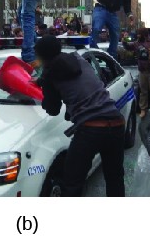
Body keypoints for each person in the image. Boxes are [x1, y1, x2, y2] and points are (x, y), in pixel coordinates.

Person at [34, 35, 125, 196]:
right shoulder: (78, 59)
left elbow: (53, 109)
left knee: (72, 182)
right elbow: (79, 84)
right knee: (115, 177)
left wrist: (43, 90)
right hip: (116, 122)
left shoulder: (49, 75)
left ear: (42, 56)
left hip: (91, 130)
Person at [121, 28, 150, 118]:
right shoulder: (137, 43)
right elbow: (128, 47)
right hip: (142, 71)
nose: (137, 35)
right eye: (137, 34)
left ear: (143, 34)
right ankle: (143, 109)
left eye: (139, 34)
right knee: (143, 91)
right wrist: (124, 40)